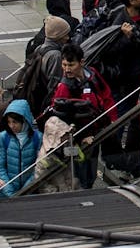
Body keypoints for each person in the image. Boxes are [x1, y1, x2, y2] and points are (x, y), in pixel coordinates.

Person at [50, 44, 115, 188]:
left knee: (90, 172)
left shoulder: (92, 75)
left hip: (95, 133)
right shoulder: (64, 87)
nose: (67, 69)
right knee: (80, 175)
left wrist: (112, 118)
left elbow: (106, 95)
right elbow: (60, 120)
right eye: (64, 64)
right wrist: (80, 136)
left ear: (82, 62)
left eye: (71, 65)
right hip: (78, 140)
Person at [0, 99, 41, 197]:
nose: (11, 126)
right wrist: (9, 192)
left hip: (30, 192)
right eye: (9, 122)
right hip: (6, 193)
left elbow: (39, 166)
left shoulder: (37, 137)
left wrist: (26, 190)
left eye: (15, 122)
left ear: (24, 120)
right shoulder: (3, 137)